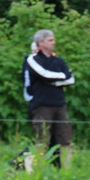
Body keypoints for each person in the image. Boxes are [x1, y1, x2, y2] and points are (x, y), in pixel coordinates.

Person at [25, 29, 74, 168]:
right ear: (41, 43)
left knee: (65, 139)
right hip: (42, 106)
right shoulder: (33, 59)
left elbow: (70, 79)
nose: (54, 43)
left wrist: (54, 81)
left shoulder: (59, 60)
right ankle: (35, 170)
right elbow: (44, 74)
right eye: (50, 40)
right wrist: (60, 77)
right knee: (41, 140)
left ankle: (66, 171)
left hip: (60, 104)